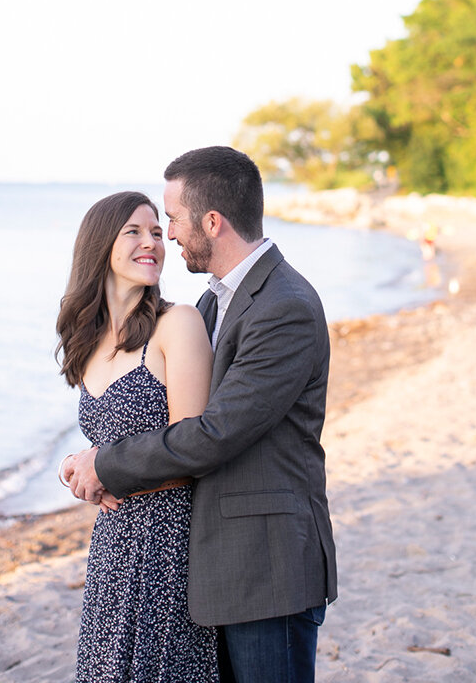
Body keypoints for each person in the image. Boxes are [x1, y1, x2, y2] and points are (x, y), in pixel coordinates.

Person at [64, 148, 338, 683]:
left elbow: (213, 433)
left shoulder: (284, 305)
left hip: (266, 565)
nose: (167, 235)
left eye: (171, 220)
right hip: (216, 562)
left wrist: (106, 467)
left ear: (212, 222)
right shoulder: (217, 302)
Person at [55, 190, 218, 683]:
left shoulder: (178, 324)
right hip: (111, 546)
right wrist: (78, 467)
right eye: (134, 231)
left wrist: (103, 473)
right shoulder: (88, 341)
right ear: (101, 245)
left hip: (168, 544)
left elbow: (194, 452)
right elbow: (110, 440)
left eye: (155, 231)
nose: (152, 241)